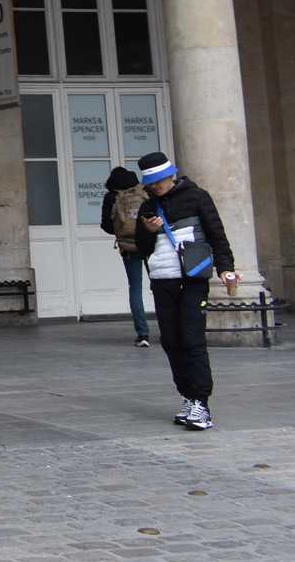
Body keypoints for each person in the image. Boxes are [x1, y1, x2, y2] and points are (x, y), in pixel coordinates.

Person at [134, 151, 240, 431]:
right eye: (151, 183)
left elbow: (217, 236)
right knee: (170, 340)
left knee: (192, 338)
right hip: (162, 280)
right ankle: (187, 396)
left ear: (171, 176)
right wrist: (147, 231)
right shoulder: (147, 207)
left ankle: (201, 403)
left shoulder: (198, 197)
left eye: (159, 181)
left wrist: (225, 269)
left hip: (192, 279)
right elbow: (141, 249)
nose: (156, 187)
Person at [99, 166, 151, 347]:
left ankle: (143, 334)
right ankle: (170, 329)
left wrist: (121, 230)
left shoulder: (111, 197)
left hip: (129, 247)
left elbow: (105, 225)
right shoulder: (144, 192)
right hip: (152, 246)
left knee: (135, 289)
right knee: (161, 287)